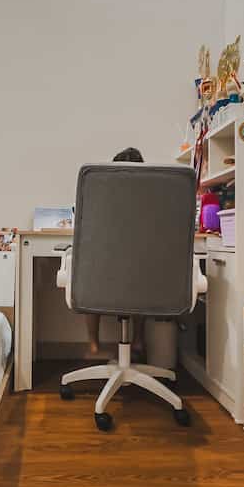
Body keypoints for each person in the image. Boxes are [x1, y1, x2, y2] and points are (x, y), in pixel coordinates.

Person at [86, 148, 145, 357]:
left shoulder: (103, 202)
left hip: (106, 278)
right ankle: (138, 340)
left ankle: (93, 343)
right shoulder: (152, 204)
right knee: (144, 281)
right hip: (142, 279)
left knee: (88, 280)